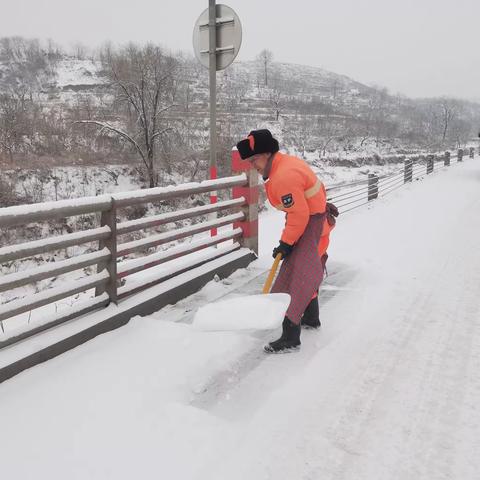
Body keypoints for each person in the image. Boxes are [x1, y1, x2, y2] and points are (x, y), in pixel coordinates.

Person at [236, 129, 336, 353]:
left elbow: (298, 215)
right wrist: (289, 241)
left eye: (254, 159)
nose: (253, 166)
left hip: (311, 226)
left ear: (267, 153)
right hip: (316, 225)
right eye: (249, 161)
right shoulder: (286, 164)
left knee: (293, 279)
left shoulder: (283, 176)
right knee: (308, 272)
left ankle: (291, 337)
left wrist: (286, 243)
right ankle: (312, 319)